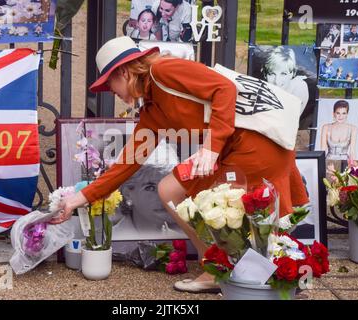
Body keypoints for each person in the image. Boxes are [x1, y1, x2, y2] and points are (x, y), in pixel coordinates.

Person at [52, 36, 309, 293]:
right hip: (230, 148)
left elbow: (225, 89)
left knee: (244, 219)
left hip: (256, 143)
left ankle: (248, 279)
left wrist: (210, 147)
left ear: (124, 71)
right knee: (170, 189)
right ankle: (218, 267)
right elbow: (127, 164)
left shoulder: (164, 70)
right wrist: (79, 199)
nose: (111, 91)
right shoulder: (152, 110)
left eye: (110, 82)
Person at [113, 141, 183, 240]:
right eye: (150, 188)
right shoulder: (108, 242)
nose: (162, 196)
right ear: (127, 193)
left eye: (166, 186)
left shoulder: (183, 242)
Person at [261, 46, 309, 113]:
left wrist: (292, 85)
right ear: (265, 74)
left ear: (293, 73)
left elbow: (285, 117)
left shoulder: (300, 86)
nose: (277, 81)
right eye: (272, 74)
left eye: (283, 74)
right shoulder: (261, 89)